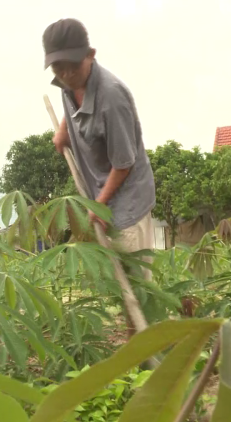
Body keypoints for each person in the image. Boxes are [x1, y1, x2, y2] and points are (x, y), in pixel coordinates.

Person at [43, 18, 156, 281]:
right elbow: (71, 103)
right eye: (58, 68)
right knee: (115, 282)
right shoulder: (68, 83)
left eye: (73, 67)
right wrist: (64, 129)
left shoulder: (112, 98)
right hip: (100, 193)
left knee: (137, 284)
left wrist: (100, 204)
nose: (66, 75)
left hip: (128, 203)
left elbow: (124, 163)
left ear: (91, 55)